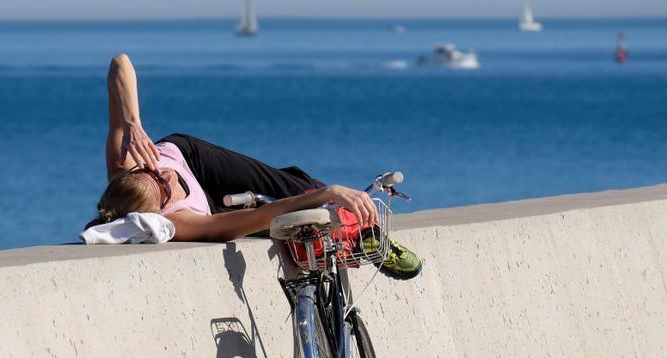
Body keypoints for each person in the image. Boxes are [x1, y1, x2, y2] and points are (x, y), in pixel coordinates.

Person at [92, 53, 421, 280]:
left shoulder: (124, 163)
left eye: (149, 171)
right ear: (158, 213)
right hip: (208, 206)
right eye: (163, 188)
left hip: (194, 158)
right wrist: (327, 193)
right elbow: (256, 218)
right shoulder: (180, 222)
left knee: (287, 183)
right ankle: (349, 228)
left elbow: (119, 64)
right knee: (292, 210)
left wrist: (132, 121)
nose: (162, 172)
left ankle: (369, 235)